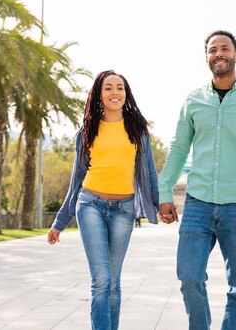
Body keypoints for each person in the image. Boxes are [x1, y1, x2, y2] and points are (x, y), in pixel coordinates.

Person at [158, 30, 236, 330]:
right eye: (213, 49)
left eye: (225, 48)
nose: (219, 54)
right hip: (198, 204)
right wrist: (165, 191)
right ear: (207, 58)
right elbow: (178, 149)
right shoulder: (194, 101)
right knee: (189, 278)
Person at [48, 70, 159, 330]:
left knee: (114, 282)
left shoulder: (138, 131)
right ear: (99, 94)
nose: (114, 93)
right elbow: (76, 179)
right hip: (90, 205)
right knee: (101, 280)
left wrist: (159, 204)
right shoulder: (87, 131)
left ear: (126, 93)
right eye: (108, 88)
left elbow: (149, 173)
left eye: (119, 88)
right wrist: (60, 221)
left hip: (124, 208)